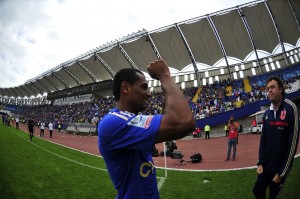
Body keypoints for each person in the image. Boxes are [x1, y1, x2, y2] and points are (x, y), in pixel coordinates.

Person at [98, 59, 195, 198]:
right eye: (143, 87)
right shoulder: (114, 122)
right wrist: (165, 75)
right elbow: (183, 121)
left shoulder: (126, 120)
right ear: (125, 88)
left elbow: (167, 119)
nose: (149, 93)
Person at [253, 76, 299, 199]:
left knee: (273, 196)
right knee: (257, 191)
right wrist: (260, 163)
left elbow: (292, 144)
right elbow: (263, 140)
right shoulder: (266, 114)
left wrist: (282, 172)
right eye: (268, 89)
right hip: (266, 166)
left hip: (280, 168)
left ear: (280, 89)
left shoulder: (290, 108)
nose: (269, 90)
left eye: (272, 87)